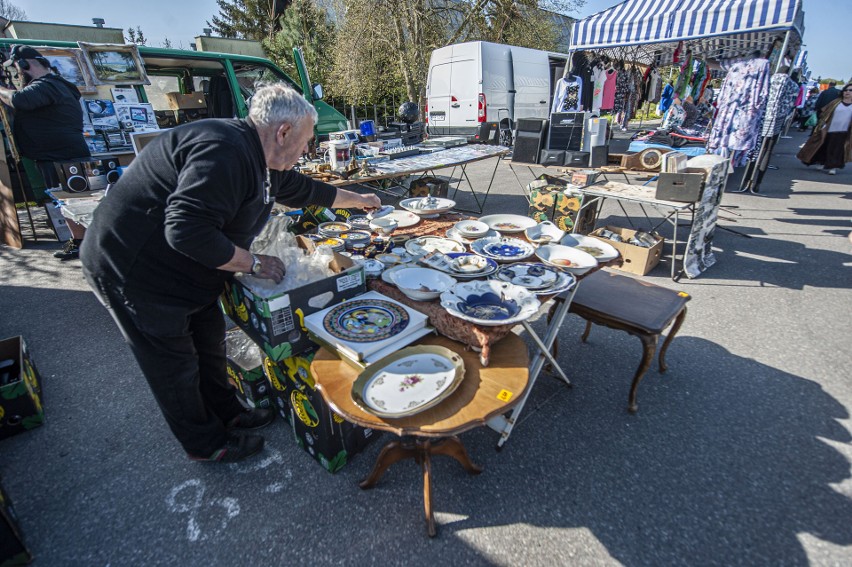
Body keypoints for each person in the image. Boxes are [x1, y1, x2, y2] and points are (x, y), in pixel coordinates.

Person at [80, 83, 381, 463]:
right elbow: (185, 230)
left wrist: (361, 201)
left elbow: (306, 191)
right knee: (173, 362)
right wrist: (253, 263)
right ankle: (205, 444)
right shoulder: (224, 152)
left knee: (209, 339)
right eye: (306, 141)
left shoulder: (264, 157)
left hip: (189, 268)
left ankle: (229, 412)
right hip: (135, 270)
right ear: (283, 132)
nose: (308, 151)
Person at [0, 45, 91, 259]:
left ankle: (84, 243)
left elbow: (18, 100)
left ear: (24, 65)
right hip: (59, 154)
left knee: (69, 201)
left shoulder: (46, 85)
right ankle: (82, 242)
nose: (16, 73)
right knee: (70, 200)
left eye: (16, 68)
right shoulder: (60, 85)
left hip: (58, 156)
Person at [797, 83, 852, 175]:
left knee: (837, 149)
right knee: (823, 146)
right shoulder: (836, 102)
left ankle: (832, 166)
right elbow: (824, 111)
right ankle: (821, 162)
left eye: (850, 90)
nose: (847, 92)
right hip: (829, 129)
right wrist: (822, 123)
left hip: (844, 130)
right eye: (846, 90)